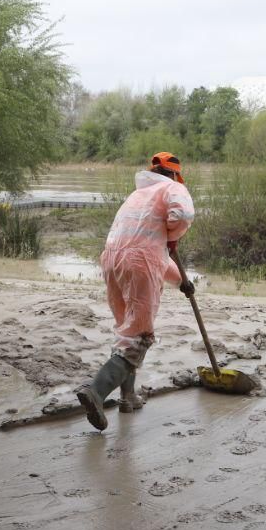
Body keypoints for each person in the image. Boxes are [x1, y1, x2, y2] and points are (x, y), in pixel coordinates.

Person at [76, 152, 196, 430]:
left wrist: (181, 282)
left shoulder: (138, 195)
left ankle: (128, 397)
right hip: (139, 262)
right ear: (175, 174)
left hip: (112, 259)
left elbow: (150, 251)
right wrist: (174, 232)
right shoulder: (173, 188)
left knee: (125, 329)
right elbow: (183, 214)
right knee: (139, 335)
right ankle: (96, 391)